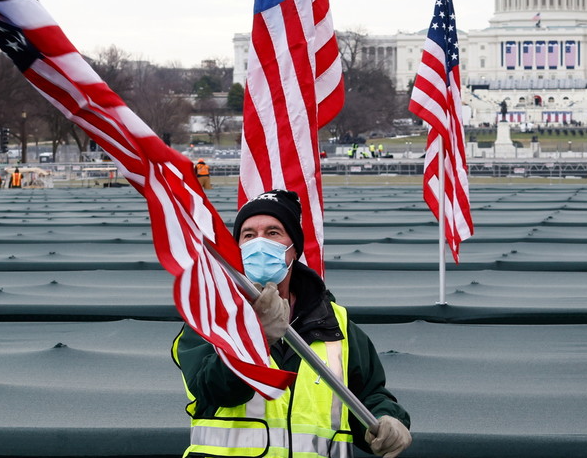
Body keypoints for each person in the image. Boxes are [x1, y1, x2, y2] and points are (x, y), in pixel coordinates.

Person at [171, 190, 412, 458]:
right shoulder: (211, 319)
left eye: (273, 232)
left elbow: (366, 395)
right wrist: (256, 338)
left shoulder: (337, 324)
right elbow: (213, 390)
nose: (259, 243)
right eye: (249, 235)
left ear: (294, 248)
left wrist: (388, 419)